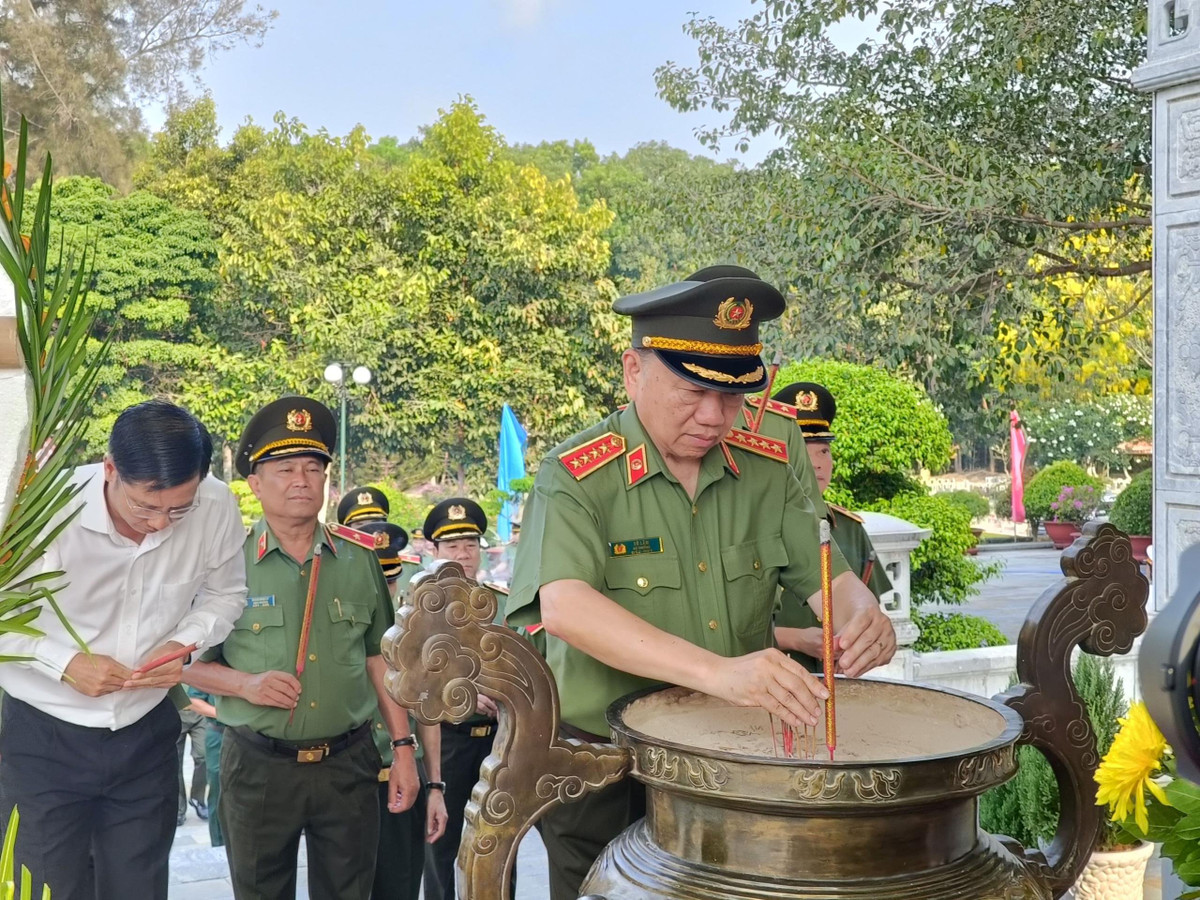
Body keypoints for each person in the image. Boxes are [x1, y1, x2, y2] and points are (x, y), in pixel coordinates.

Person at [505, 270, 897, 900]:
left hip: (728, 764)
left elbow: (830, 579)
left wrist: (862, 615)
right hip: (604, 771)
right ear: (634, 371)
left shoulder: (765, 472)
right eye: (692, 392)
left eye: (734, 396)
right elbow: (567, 607)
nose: (715, 417)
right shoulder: (577, 475)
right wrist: (720, 673)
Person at [0, 400, 247, 900]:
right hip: (42, 736)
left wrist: (185, 645)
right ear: (110, 469)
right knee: (42, 888)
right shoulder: (42, 503)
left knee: (140, 886)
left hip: (144, 735)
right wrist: (64, 663)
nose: (161, 524)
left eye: (179, 508)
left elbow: (227, 594)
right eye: (145, 506)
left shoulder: (215, 504)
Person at [183, 397, 421, 900]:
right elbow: (188, 666)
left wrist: (402, 750)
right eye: (285, 468)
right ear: (255, 482)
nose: (301, 480)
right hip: (259, 766)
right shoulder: (226, 564)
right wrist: (246, 684)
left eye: (313, 468)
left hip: (348, 763)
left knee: (350, 892)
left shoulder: (359, 560)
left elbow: (381, 659)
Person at [420, 498, 518, 900]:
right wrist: (457, 693)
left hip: (498, 742)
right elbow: (410, 679)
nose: (463, 554)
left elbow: (520, 662)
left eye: (470, 545)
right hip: (448, 741)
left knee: (500, 841)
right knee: (442, 843)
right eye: (452, 546)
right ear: (433, 551)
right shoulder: (419, 609)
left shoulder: (500, 601)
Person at [353, 517, 449, 900]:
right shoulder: (342, 631)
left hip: (405, 780)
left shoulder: (415, 637)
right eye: (377, 581)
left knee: (401, 886)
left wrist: (436, 786)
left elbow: (428, 715)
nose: (384, 591)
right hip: (350, 778)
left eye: (390, 581)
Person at [771, 381, 895, 672]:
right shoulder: (753, 525)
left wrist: (873, 638)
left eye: (824, 452)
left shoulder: (850, 530)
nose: (816, 464)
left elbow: (868, 612)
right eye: (804, 451)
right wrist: (795, 639)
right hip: (771, 684)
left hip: (841, 687)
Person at [176, 701, 209, 824]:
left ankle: (197, 797)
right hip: (175, 711)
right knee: (175, 764)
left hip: (200, 712)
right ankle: (178, 809)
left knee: (204, 756)